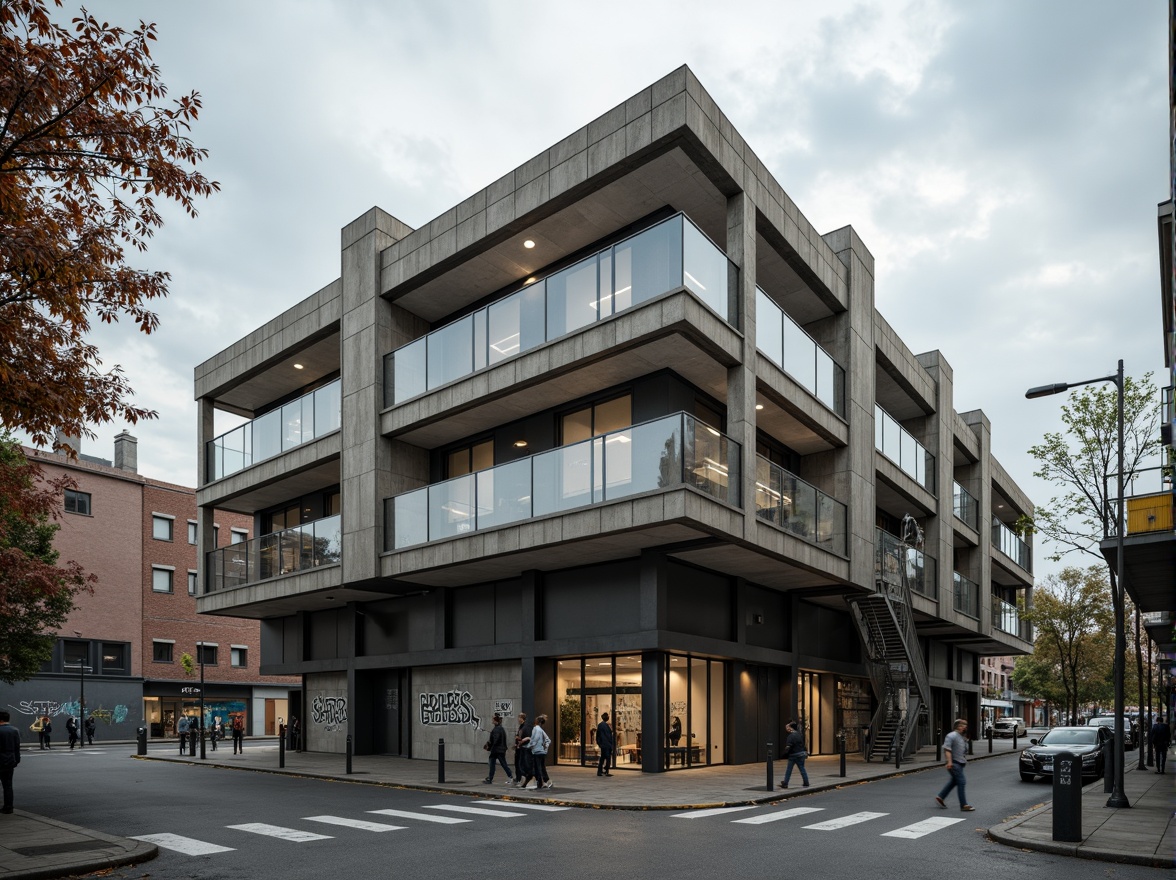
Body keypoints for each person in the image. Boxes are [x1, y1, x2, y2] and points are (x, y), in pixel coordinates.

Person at [935, 718, 974, 811]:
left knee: (954, 782)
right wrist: (949, 762)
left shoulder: (961, 737)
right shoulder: (951, 736)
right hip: (954, 764)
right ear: (959, 726)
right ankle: (963, 805)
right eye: (964, 725)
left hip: (959, 763)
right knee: (961, 782)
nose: (966, 728)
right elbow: (947, 749)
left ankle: (941, 797)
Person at [519, 714, 553, 790]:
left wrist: (530, 746)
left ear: (537, 721)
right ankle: (544, 781)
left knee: (537, 768)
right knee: (541, 767)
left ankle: (540, 783)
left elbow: (535, 739)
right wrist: (545, 748)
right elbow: (548, 740)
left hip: (537, 751)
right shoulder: (541, 730)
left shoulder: (536, 729)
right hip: (541, 752)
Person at [0, 711, 21, 814]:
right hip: (9, 760)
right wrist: (17, 760)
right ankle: (9, 806)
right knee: (8, 785)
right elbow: (17, 747)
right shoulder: (14, 730)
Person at [779, 721, 809, 789]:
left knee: (789, 770)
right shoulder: (799, 734)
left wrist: (784, 753)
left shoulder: (790, 736)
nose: (787, 728)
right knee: (802, 769)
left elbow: (788, 746)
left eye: (788, 727)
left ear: (791, 728)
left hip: (793, 755)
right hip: (801, 754)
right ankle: (806, 782)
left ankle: (785, 783)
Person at [483, 713, 513, 784]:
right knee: (501, 763)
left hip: (496, 750)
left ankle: (491, 778)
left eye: (493, 719)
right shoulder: (500, 728)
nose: (492, 721)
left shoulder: (496, 729)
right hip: (500, 749)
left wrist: (490, 747)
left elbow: (495, 740)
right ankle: (509, 776)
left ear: (495, 721)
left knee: (493, 763)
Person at [512, 712, 533, 787]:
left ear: (522, 718)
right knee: (518, 764)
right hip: (519, 747)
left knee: (521, 764)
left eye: (519, 718)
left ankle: (522, 778)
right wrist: (516, 743)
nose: (518, 719)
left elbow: (527, 738)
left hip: (522, 748)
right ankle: (519, 778)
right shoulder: (521, 726)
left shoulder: (525, 727)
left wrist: (520, 741)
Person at [596, 712, 615, 777]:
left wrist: (599, 743)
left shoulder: (601, 725)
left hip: (604, 745)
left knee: (602, 758)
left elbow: (598, 736)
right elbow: (607, 736)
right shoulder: (605, 726)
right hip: (606, 745)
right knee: (607, 758)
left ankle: (600, 771)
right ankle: (606, 771)